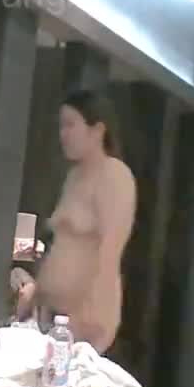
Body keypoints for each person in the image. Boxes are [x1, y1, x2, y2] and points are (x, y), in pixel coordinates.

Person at [35, 90, 135, 354]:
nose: (63, 134)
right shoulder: (73, 177)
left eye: (70, 125)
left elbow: (110, 249)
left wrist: (89, 313)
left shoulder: (114, 174)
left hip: (86, 315)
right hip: (52, 311)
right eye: (61, 126)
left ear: (97, 130)